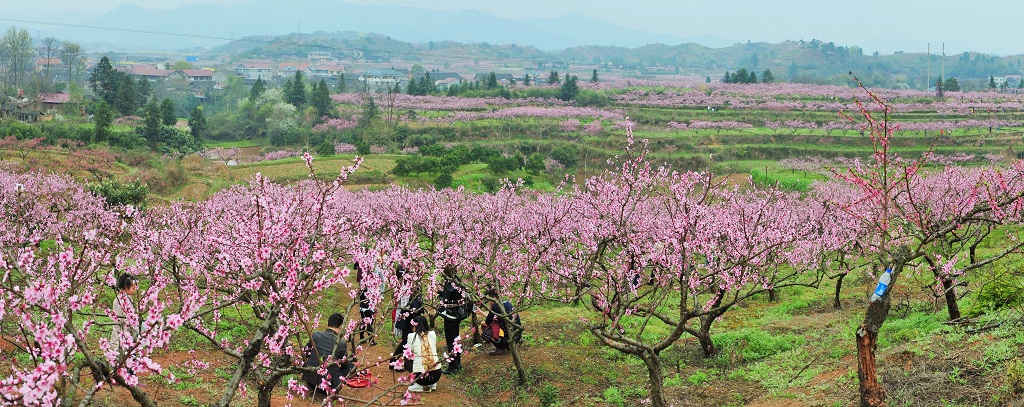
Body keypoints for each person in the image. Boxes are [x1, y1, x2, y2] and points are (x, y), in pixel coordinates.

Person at [303, 313, 355, 397]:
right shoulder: (341, 343)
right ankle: (335, 386)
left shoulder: (315, 335)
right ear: (341, 326)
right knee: (351, 366)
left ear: (328, 323)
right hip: (328, 386)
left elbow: (305, 353)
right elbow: (345, 365)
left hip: (310, 381)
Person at [438, 266, 469, 374]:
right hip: (458, 315)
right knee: (456, 339)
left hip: (451, 315)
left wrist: (440, 296)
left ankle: (452, 367)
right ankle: (457, 364)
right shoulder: (458, 280)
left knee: (451, 341)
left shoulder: (448, 283)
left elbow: (447, 300)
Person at [478, 288, 521, 356]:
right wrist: (481, 312)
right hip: (516, 337)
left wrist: (481, 323)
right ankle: (506, 346)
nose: (489, 302)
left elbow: (487, 322)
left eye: (490, 300)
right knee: (495, 323)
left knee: (485, 327)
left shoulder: (495, 306)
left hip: (508, 339)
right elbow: (493, 317)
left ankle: (501, 348)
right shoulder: (507, 303)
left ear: (494, 298)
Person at [405, 315, 442, 392]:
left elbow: (408, 352)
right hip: (437, 375)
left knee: (407, 356)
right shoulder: (432, 334)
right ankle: (432, 384)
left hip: (421, 377)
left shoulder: (411, 336)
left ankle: (420, 385)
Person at [390, 285, 423, 371]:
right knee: (406, 341)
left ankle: (394, 361)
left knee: (407, 341)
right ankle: (402, 363)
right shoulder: (404, 289)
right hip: (406, 319)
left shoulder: (416, 290)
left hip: (412, 318)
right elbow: (403, 305)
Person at [355, 263, 377, 346]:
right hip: (367, 305)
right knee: (369, 321)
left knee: (364, 320)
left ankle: (361, 337)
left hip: (365, 305)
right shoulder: (367, 284)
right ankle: (371, 339)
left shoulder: (363, 283)